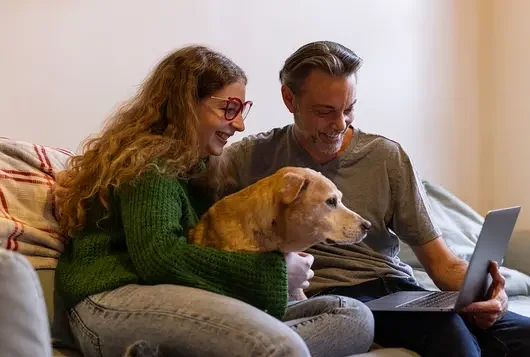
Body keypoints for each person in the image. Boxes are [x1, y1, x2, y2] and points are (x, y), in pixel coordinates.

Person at [212, 41, 530, 357]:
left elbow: (441, 263)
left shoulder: (385, 156)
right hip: (335, 299)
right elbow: (206, 229)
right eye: (325, 112)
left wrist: (489, 293)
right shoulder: (247, 159)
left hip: (400, 291)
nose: (339, 124)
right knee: (454, 339)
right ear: (289, 99)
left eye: (348, 109)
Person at [53, 45, 375, 357]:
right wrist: (277, 272)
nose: (239, 124)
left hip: (164, 299)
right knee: (280, 347)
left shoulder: (197, 169)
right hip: (110, 303)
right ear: (184, 105)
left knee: (351, 317)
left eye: (242, 110)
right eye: (228, 109)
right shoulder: (151, 166)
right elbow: (160, 257)